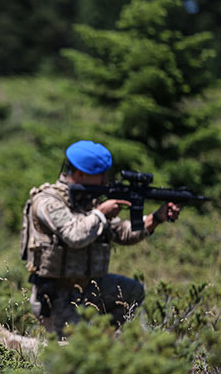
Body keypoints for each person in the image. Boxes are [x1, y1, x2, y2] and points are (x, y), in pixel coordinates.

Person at [20, 140, 181, 336]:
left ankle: (104, 339)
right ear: (80, 173)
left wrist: (155, 218)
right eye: (101, 175)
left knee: (133, 292)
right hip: (57, 295)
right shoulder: (48, 201)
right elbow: (74, 235)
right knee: (70, 354)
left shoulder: (88, 201)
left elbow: (122, 232)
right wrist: (100, 214)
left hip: (89, 287)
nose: (106, 181)